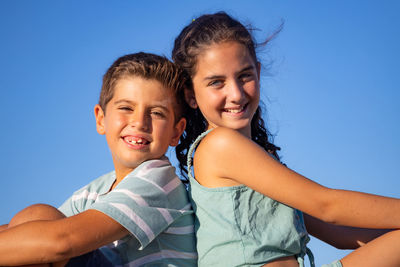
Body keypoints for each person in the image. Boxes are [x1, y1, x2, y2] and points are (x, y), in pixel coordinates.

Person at [172, 11, 400, 267]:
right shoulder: (219, 145)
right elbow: (327, 206)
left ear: (258, 73)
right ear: (191, 95)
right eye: (217, 82)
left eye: (244, 75)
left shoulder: (259, 161)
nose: (235, 94)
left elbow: (338, 233)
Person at [0, 52, 197, 266]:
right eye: (126, 108)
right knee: (33, 221)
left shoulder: (158, 182)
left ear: (176, 132)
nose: (140, 122)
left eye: (157, 113)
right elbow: (25, 231)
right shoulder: (94, 192)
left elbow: (61, 242)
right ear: (101, 119)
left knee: (40, 233)